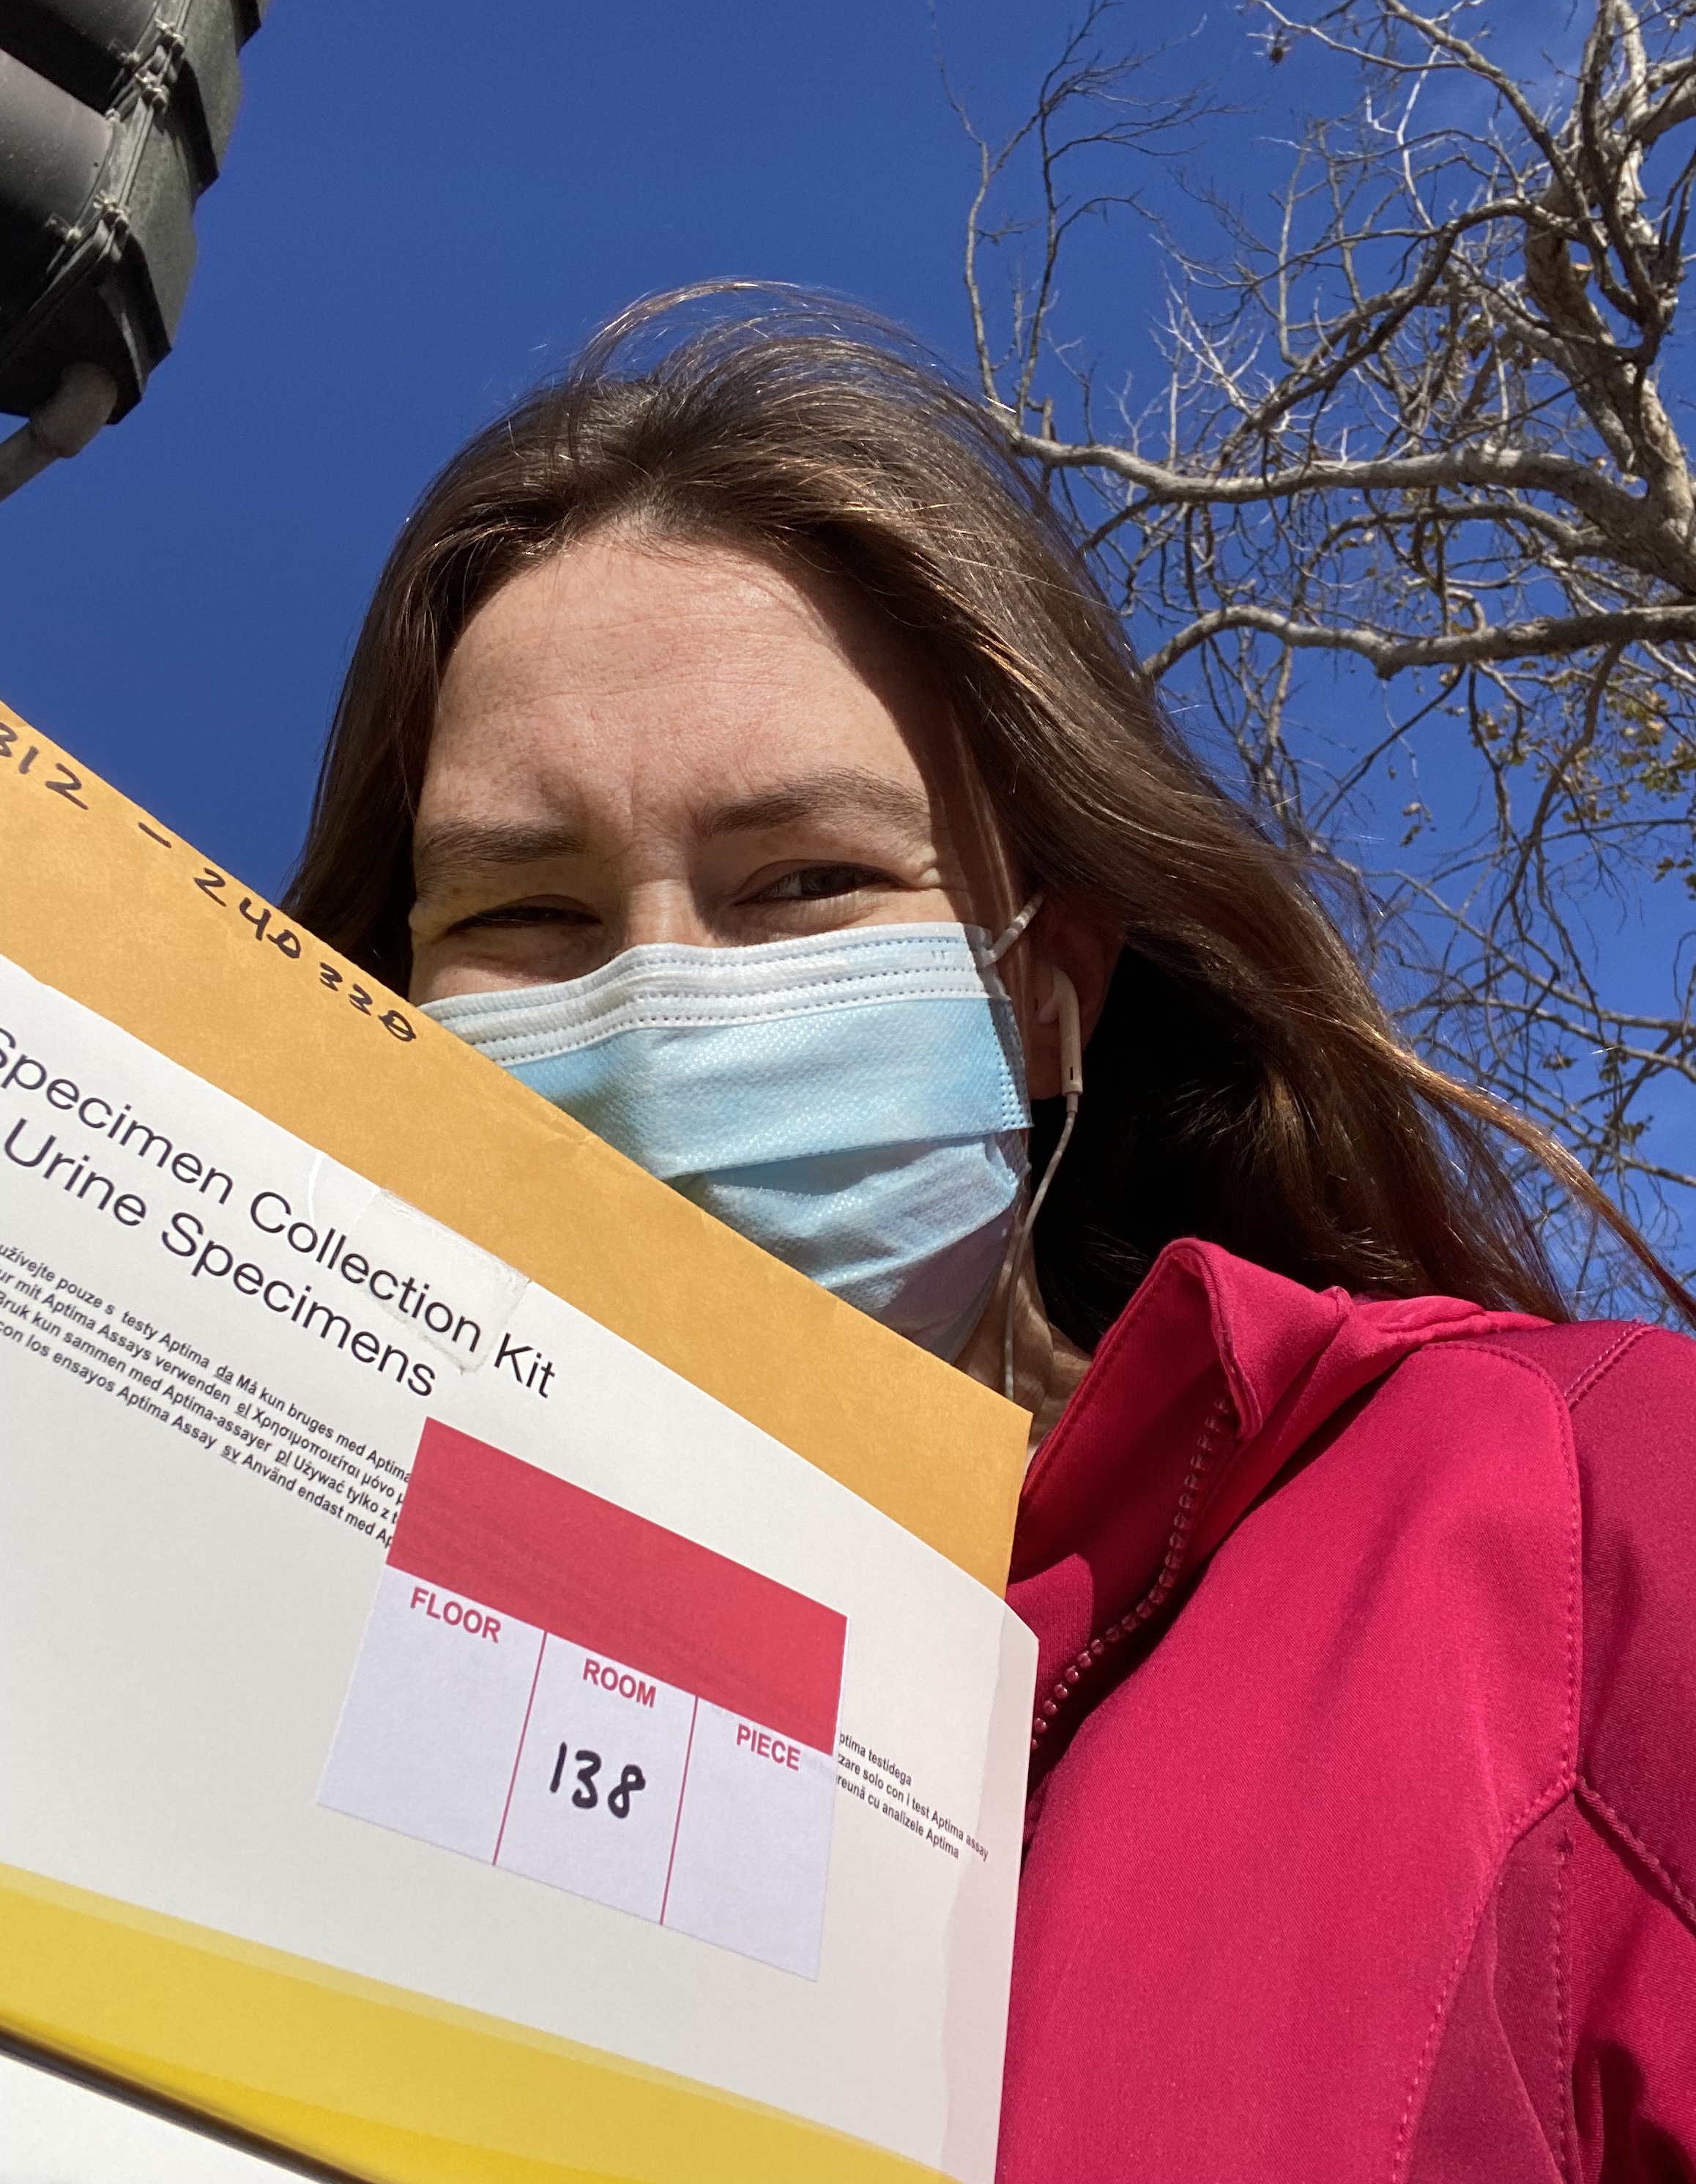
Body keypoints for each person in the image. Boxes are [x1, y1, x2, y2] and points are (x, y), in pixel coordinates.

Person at [286, 289, 1696, 2183]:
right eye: (526, 916)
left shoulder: (1585, 1509)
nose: (655, 1011)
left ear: (1044, 992)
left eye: (805, 880)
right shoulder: (264, 1647)